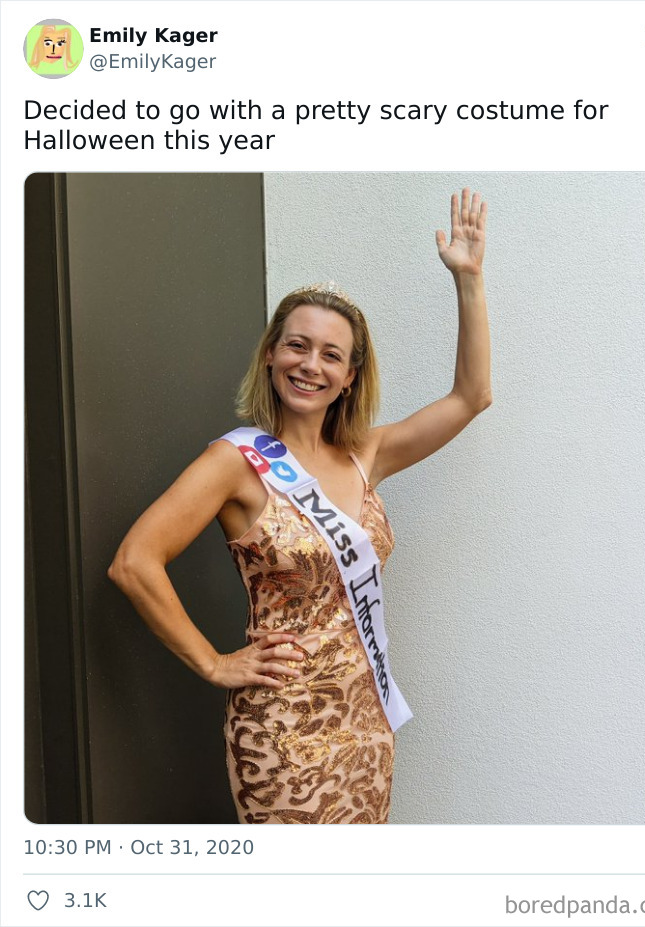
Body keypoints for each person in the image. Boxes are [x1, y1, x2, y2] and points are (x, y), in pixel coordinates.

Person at [109, 189, 492, 824]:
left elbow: (471, 396)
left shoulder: (365, 455)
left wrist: (469, 280)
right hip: (283, 733)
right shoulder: (235, 463)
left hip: (366, 724)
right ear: (270, 353)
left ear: (349, 375)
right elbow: (134, 563)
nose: (309, 364)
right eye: (296, 345)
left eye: (330, 355)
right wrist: (212, 662)